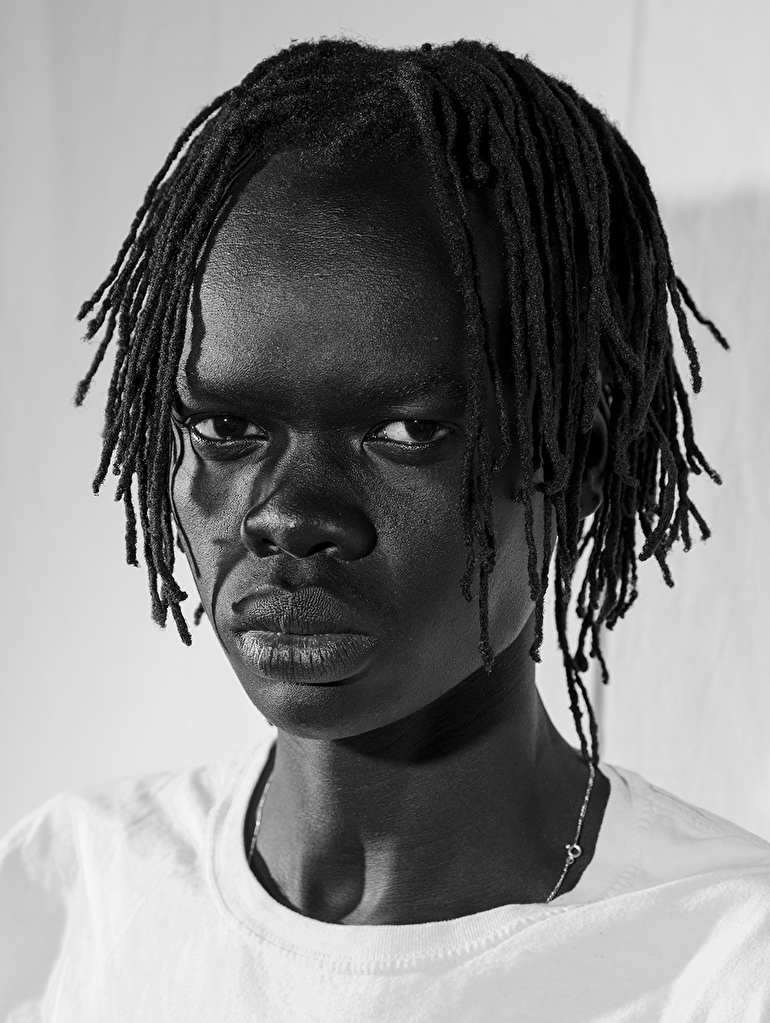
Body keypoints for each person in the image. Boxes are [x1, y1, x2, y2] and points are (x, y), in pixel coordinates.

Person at [1, 38, 768, 1022]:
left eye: (405, 432)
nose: (288, 515)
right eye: (227, 427)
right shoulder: (65, 906)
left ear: (577, 456)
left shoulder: (723, 965)